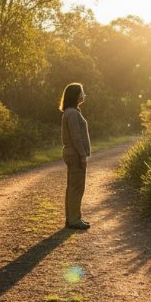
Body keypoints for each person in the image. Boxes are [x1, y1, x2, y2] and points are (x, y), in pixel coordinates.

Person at [60, 82, 91, 230]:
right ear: (76, 95)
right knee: (77, 188)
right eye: (82, 91)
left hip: (72, 153)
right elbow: (76, 137)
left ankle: (71, 218)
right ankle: (74, 220)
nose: (84, 94)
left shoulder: (72, 111)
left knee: (73, 187)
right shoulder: (72, 113)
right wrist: (83, 155)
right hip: (75, 153)